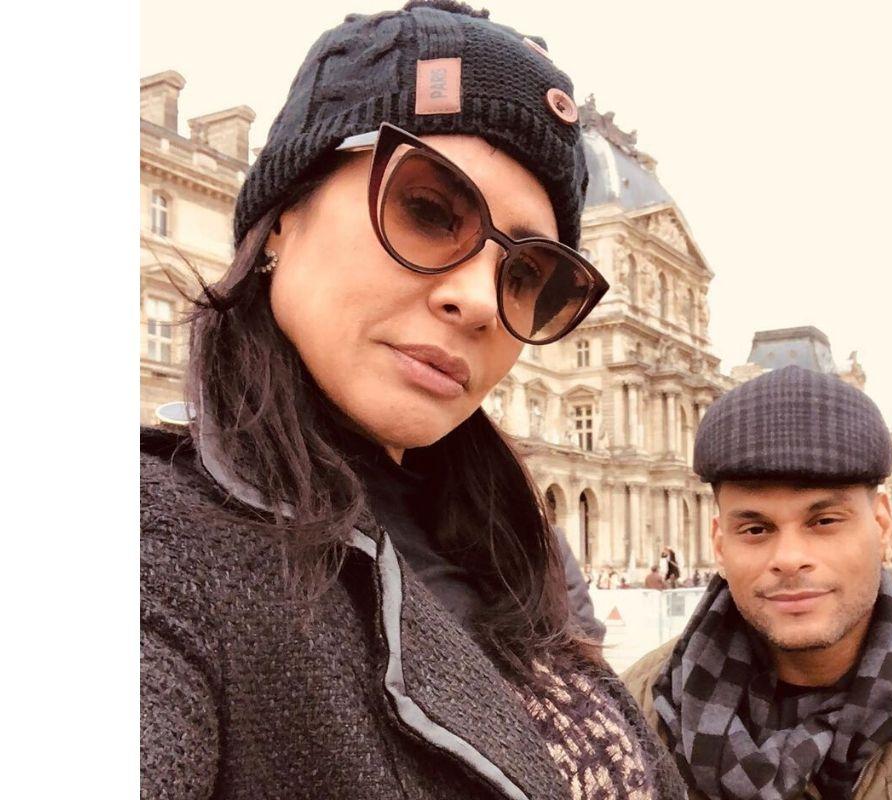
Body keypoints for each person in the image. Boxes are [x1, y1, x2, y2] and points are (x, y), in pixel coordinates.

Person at [140, 4, 687, 798]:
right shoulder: (155, 546)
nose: (481, 301)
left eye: (528, 274)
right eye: (428, 211)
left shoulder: (515, 546)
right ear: (284, 213)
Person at [620, 366, 892, 800]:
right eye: (755, 529)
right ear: (720, 544)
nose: (789, 558)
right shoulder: (616, 720)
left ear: (882, 525)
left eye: (825, 521)